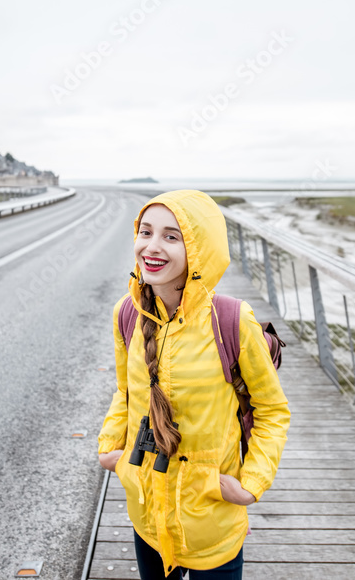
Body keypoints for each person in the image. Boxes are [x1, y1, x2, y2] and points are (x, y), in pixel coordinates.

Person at [97, 190, 290, 580]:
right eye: (146, 232)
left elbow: (272, 410)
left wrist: (249, 486)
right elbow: (127, 393)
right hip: (147, 514)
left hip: (212, 521)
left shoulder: (234, 321)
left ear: (199, 248)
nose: (152, 246)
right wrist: (110, 448)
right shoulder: (126, 314)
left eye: (171, 236)